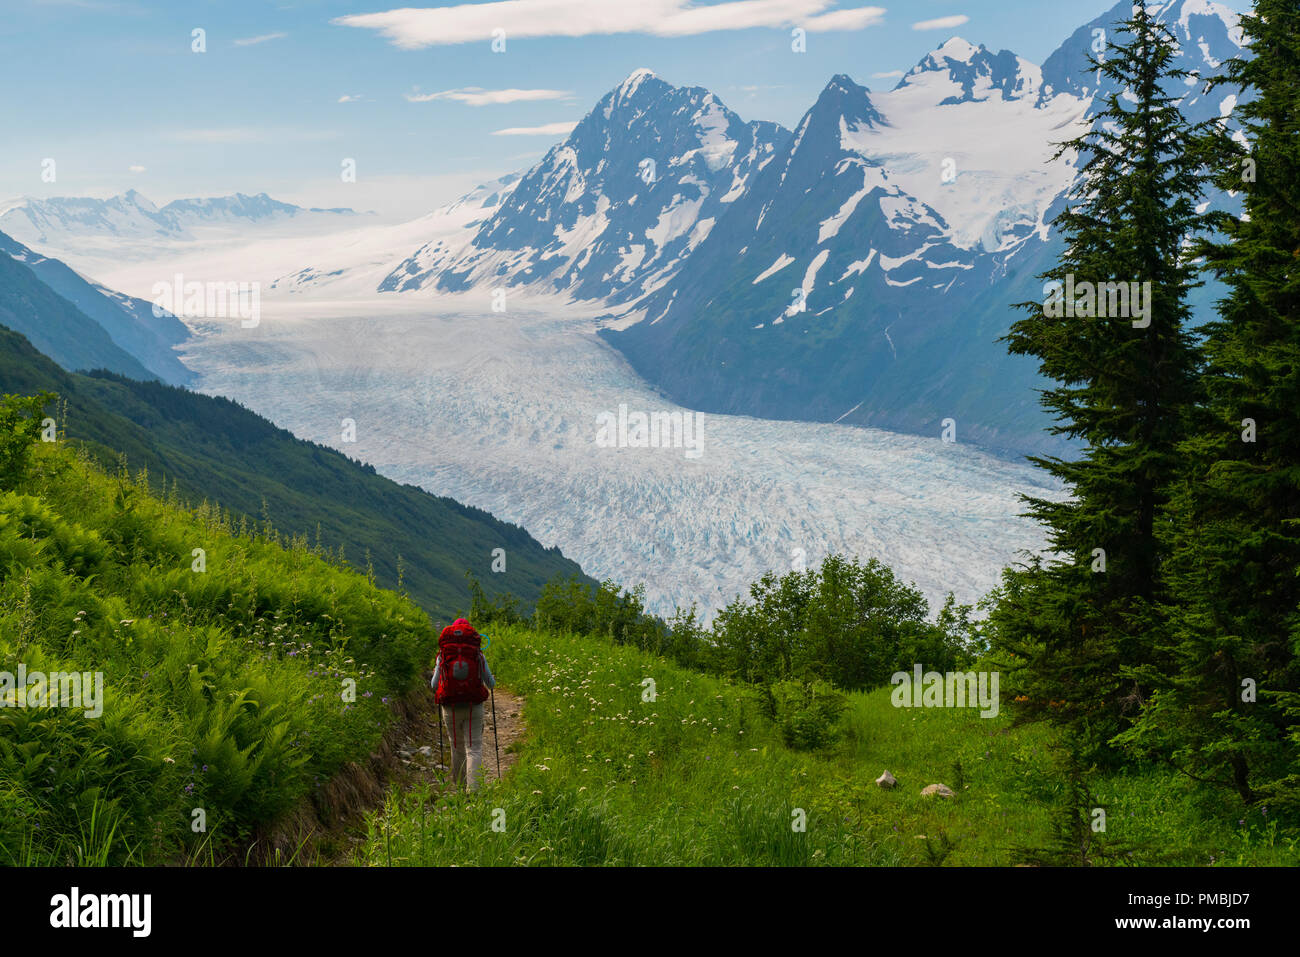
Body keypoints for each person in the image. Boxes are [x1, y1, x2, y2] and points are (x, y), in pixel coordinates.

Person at [431, 617, 495, 793]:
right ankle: (473, 791)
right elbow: (490, 683)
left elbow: (434, 685)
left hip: (450, 707)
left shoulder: (443, 654)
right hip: (473, 707)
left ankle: (459, 788)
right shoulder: (477, 654)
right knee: (473, 748)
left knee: (456, 746)